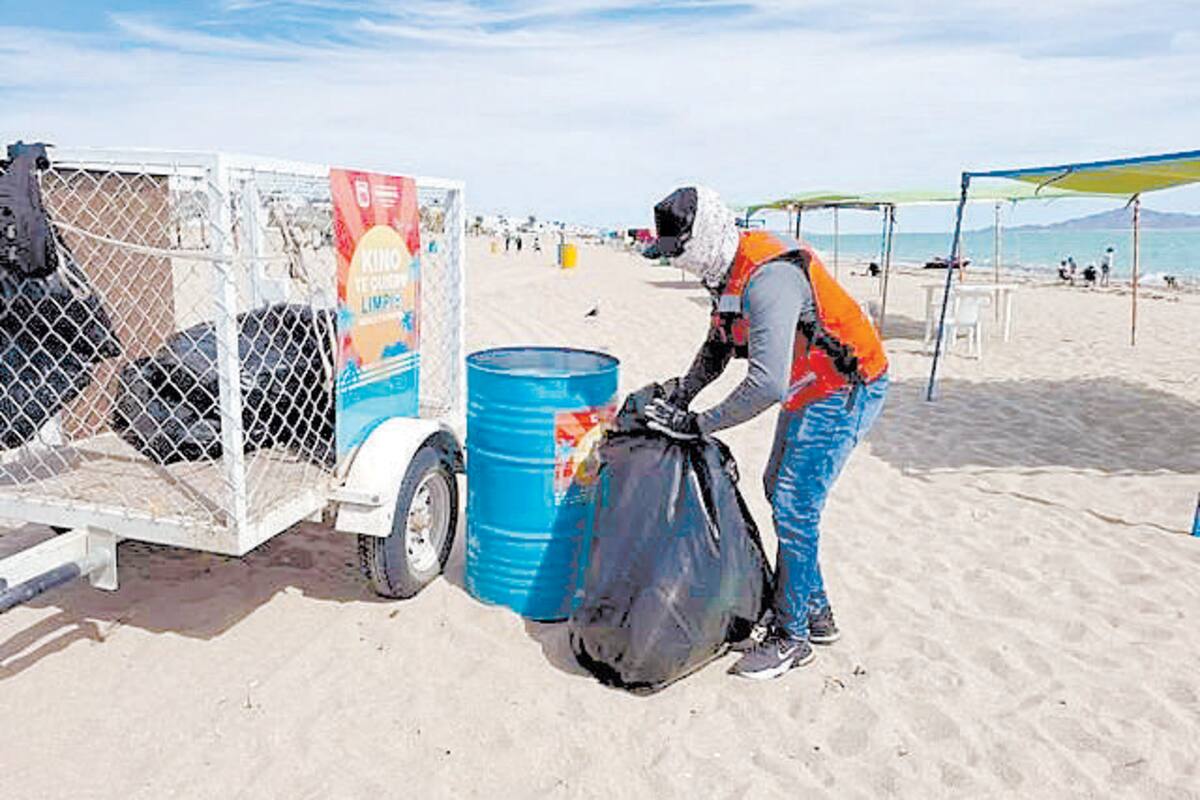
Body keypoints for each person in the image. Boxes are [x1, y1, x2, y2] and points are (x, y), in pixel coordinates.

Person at [641, 186, 889, 681]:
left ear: (705, 237)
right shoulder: (725, 272)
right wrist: (682, 396)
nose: (678, 264)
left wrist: (700, 425)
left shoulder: (767, 279)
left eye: (680, 252)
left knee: (795, 504)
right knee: (777, 488)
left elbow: (765, 384)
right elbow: (717, 346)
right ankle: (816, 612)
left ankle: (793, 638)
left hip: (844, 386)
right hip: (809, 382)